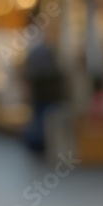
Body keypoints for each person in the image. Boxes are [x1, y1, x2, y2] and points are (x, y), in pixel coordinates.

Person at [22, 23, 66, 154]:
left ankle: (38, 145)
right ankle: (41, 144)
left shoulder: (36, 52)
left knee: (39, 120)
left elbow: (28, 73)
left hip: (40, 93)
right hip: (48, 94)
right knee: (45, 121)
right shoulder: (49, 52)